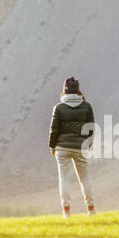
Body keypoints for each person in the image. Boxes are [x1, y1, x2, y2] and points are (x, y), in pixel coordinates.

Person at [49, 76, 95, 218]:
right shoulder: (87, 106)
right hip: (81, 147)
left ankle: (66, 212)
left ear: (65, 90)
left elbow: (54, 129)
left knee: (64, 179)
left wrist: (52, 146)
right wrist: (87, 144)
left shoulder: (59, 108)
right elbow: (91, 129)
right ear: (78, 90)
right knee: (85, 178)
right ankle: (91, 210)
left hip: (62, 147)